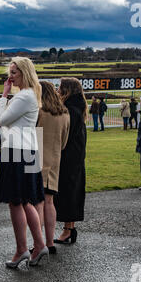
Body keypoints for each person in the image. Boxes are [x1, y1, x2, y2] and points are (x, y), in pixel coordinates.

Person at [0, 57, 48, 268]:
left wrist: (3, 96)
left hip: (17, 151)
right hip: (26, 150)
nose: (10, 76)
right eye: (10, 72)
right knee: (24, 201)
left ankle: (22, 249)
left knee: (16, 202)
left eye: (14, 72)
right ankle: (37, 244)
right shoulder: (28, 95)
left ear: (24, 72)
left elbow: (1, 120)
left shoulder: (23, 96)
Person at [35, 81, 70, 255]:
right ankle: (49, 242)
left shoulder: (39, 112)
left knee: (38, 203)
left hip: (37, 158)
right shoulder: (64, 113)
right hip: (55, 159)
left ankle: (39, 243)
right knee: (49, 201)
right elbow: (64, 142)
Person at [53, 78, 87, 245]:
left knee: (67, 193)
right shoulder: (78, 107)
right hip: (76, 157)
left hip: (69, 158)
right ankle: (70, 228)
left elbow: (64, 136)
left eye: (60, 87)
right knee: (72, 192)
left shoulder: (71, 110)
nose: (58, 90)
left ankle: (67, 230)